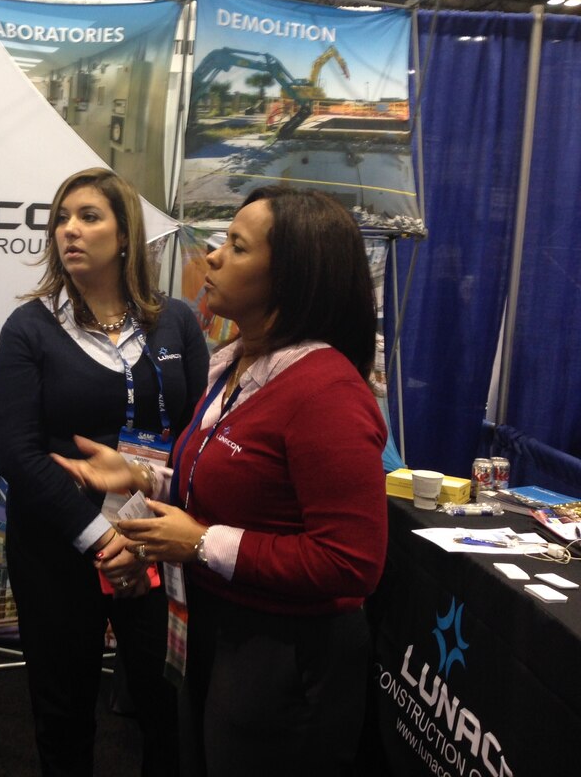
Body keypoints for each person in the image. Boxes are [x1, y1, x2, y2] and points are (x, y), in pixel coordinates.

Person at [53, 186, 388, 777]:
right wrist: (141, 478)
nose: (211, 257)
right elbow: (222, 478)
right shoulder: (235, 364)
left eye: (235, 246)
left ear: (290, 278)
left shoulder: (327, 392)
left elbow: (350, 562)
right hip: (213, 625)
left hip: (286, 657)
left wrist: (201, 542)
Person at [0, 167, 209, 776]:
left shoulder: (176, 323)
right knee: (63, 715)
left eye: (88, 217)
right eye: (61, 218)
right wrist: (103, 537)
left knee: (165, 708)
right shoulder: (30, 328)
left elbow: (195, 438)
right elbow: (16, 451)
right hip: (59, 548)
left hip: (156, 544)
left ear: (124, 236)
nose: (70, 231)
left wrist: (146, 537)